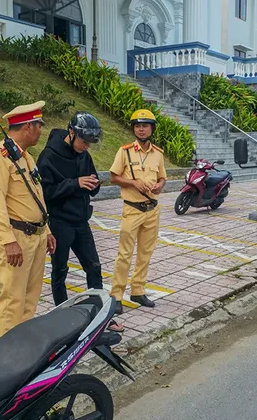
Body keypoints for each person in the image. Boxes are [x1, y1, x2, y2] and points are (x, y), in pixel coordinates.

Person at [37, 113, 123, 332]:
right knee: (60, 271)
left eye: (90, 144)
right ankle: (62, 319)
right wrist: (74, 184)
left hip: (81, 221)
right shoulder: (48, 156)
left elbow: (92, 183)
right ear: (71, 133)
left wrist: (93, 184)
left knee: (94, 267)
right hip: (60, 222)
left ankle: (102, 315)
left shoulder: (84, 155)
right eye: (84, 142)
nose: (87, 147)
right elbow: (45, 193)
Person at [0, 101, 56, 340]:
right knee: (12, 299)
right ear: (28, 127)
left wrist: (48, 230)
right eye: (39, 126)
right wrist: (7, 241)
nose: (40, 131)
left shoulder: (26, 158)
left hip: (36, 236)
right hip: (17, 238)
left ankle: (22, 349)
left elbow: (36, 197)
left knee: (30, 297)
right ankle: (3, 357)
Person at [109, 109, 167, 316]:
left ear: (152, 128)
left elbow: (162, 178)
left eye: (145, 125)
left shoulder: (158, 154)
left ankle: (138, 291)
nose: (141, 129)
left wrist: (160, 185)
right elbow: (113, 177)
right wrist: (133, 182)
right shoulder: (125, 151)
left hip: (152, 210)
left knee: (145, 254)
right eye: (137, 125)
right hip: (132, 210)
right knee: (124, 254)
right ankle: (116, 295)